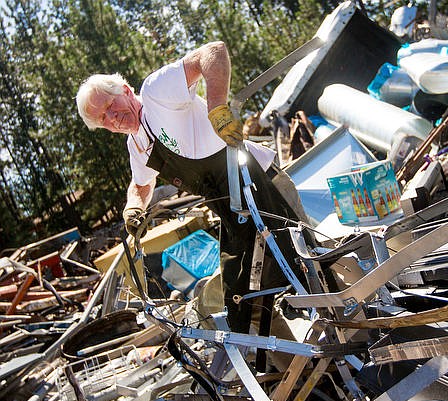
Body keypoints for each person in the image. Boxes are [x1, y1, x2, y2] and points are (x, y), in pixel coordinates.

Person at [76, 41, 307, 336]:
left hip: (259, 182)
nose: (112, 118)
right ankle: (295, 374)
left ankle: (357, 339)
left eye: (110, 106)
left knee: (308, 265)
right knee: (244, 303)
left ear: (124, 89)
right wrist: (133, 207)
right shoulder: (137, 145)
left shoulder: (156, 92)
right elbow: (140, 184)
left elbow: (213, 52)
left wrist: (217, 109)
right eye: (103, 120)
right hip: (232, 211)